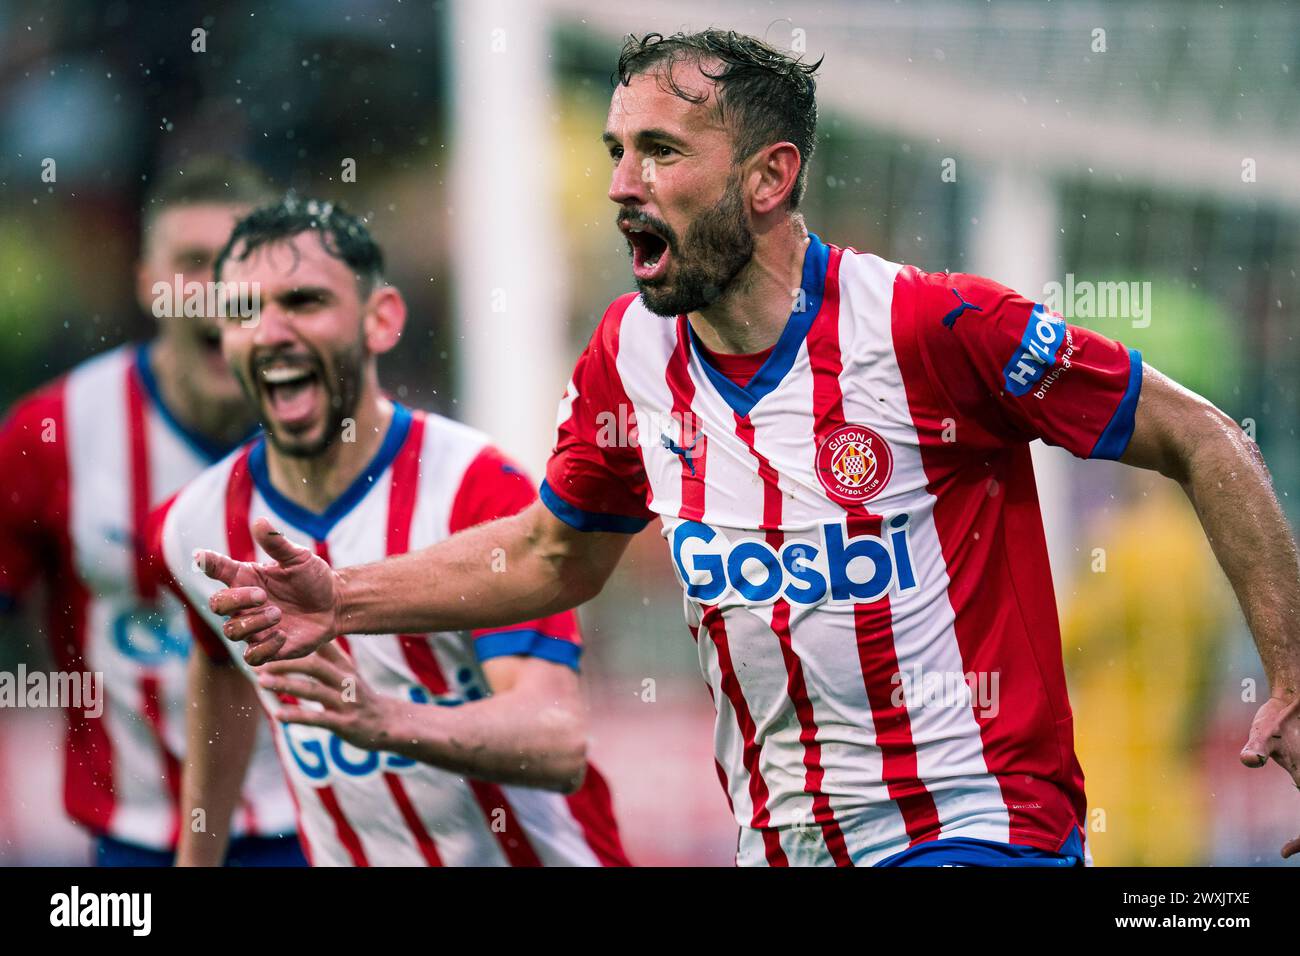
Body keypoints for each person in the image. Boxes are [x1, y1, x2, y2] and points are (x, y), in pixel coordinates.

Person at [197, 31, 1300, 866]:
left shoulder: (927, 328)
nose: (622, 183)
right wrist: (338, 596)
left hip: (976, 822)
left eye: (661, 151)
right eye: (615, 150)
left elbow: (1198, 433)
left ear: (769, 179)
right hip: (781, 839)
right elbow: (550, 553)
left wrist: (1291, 671)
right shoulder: (628, 356)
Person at [156, 196, 629, 867]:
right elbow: (220, 663)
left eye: (304, 302)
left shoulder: (474, 484)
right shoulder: (193, 524)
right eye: (243, 311)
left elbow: (556, 740)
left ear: (381, 320)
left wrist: (384, 721)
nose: (270, 332)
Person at [0, 156, 303, 866]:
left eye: (240, 262)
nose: (218, 287)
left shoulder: (352, 440)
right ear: (148, 284)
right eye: (193, 262)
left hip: (313, 836)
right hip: (135, 847)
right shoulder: (53, 434)